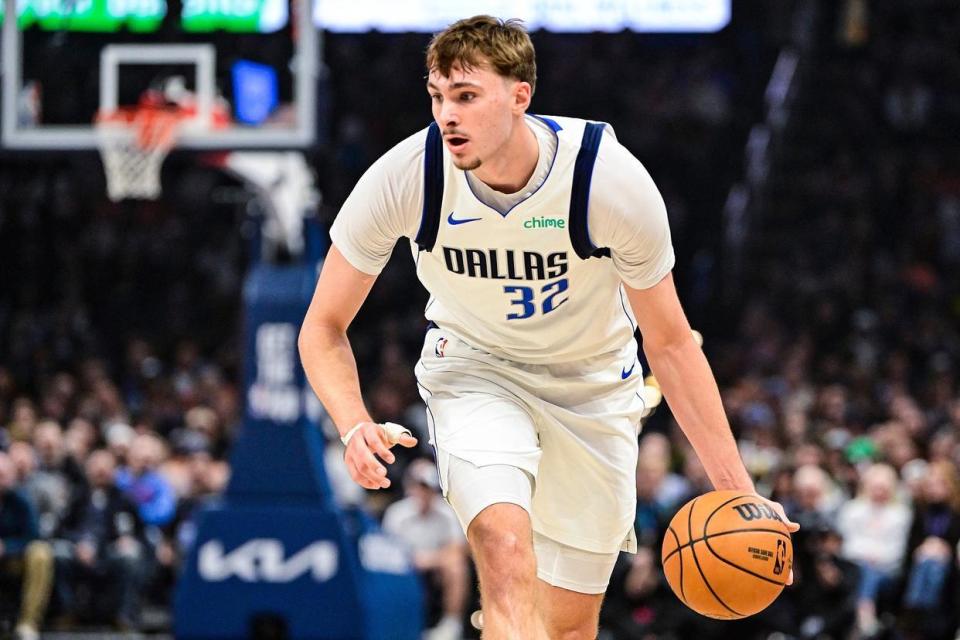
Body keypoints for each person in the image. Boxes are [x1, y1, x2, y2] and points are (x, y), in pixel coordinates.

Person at [299, 15, 798, 639]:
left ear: (520, 95)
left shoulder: (607, 182)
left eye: (466, 96)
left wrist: (738, 490)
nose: (447, 115)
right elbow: (322, 326)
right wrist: (352, 423)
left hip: (592, 387)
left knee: (567, 627)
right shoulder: (408, 176)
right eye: (437, 96)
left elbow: (671, 343)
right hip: (476, 371)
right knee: (505, 549)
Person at [382, 458, 468, 640]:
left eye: (426, 487)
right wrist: (413, 560)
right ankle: (394, 624)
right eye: (417, 486)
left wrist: (429, 559)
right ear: (409, 487)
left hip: (435, 565)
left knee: (456, 566)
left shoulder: (446, 513)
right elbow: (387, 552)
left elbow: (457, 549)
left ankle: (451, 624)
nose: (421, 492)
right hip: (404, 566)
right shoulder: (396, 513)